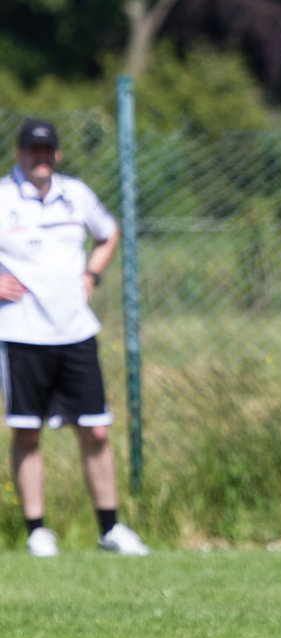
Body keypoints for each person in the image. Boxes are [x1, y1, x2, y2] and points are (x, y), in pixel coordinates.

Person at [0, 119, 148, 558]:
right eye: (32, 150)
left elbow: (108, 233)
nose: (40, 158)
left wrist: (92, 273)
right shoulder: (4, 197)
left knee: (97, 431)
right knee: (27, 432)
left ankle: (110, 528)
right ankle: (37, 531)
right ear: (19, 153)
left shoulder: (76, 194)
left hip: (75, 332)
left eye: (47, 151)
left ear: (57, 155)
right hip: (22, 332)